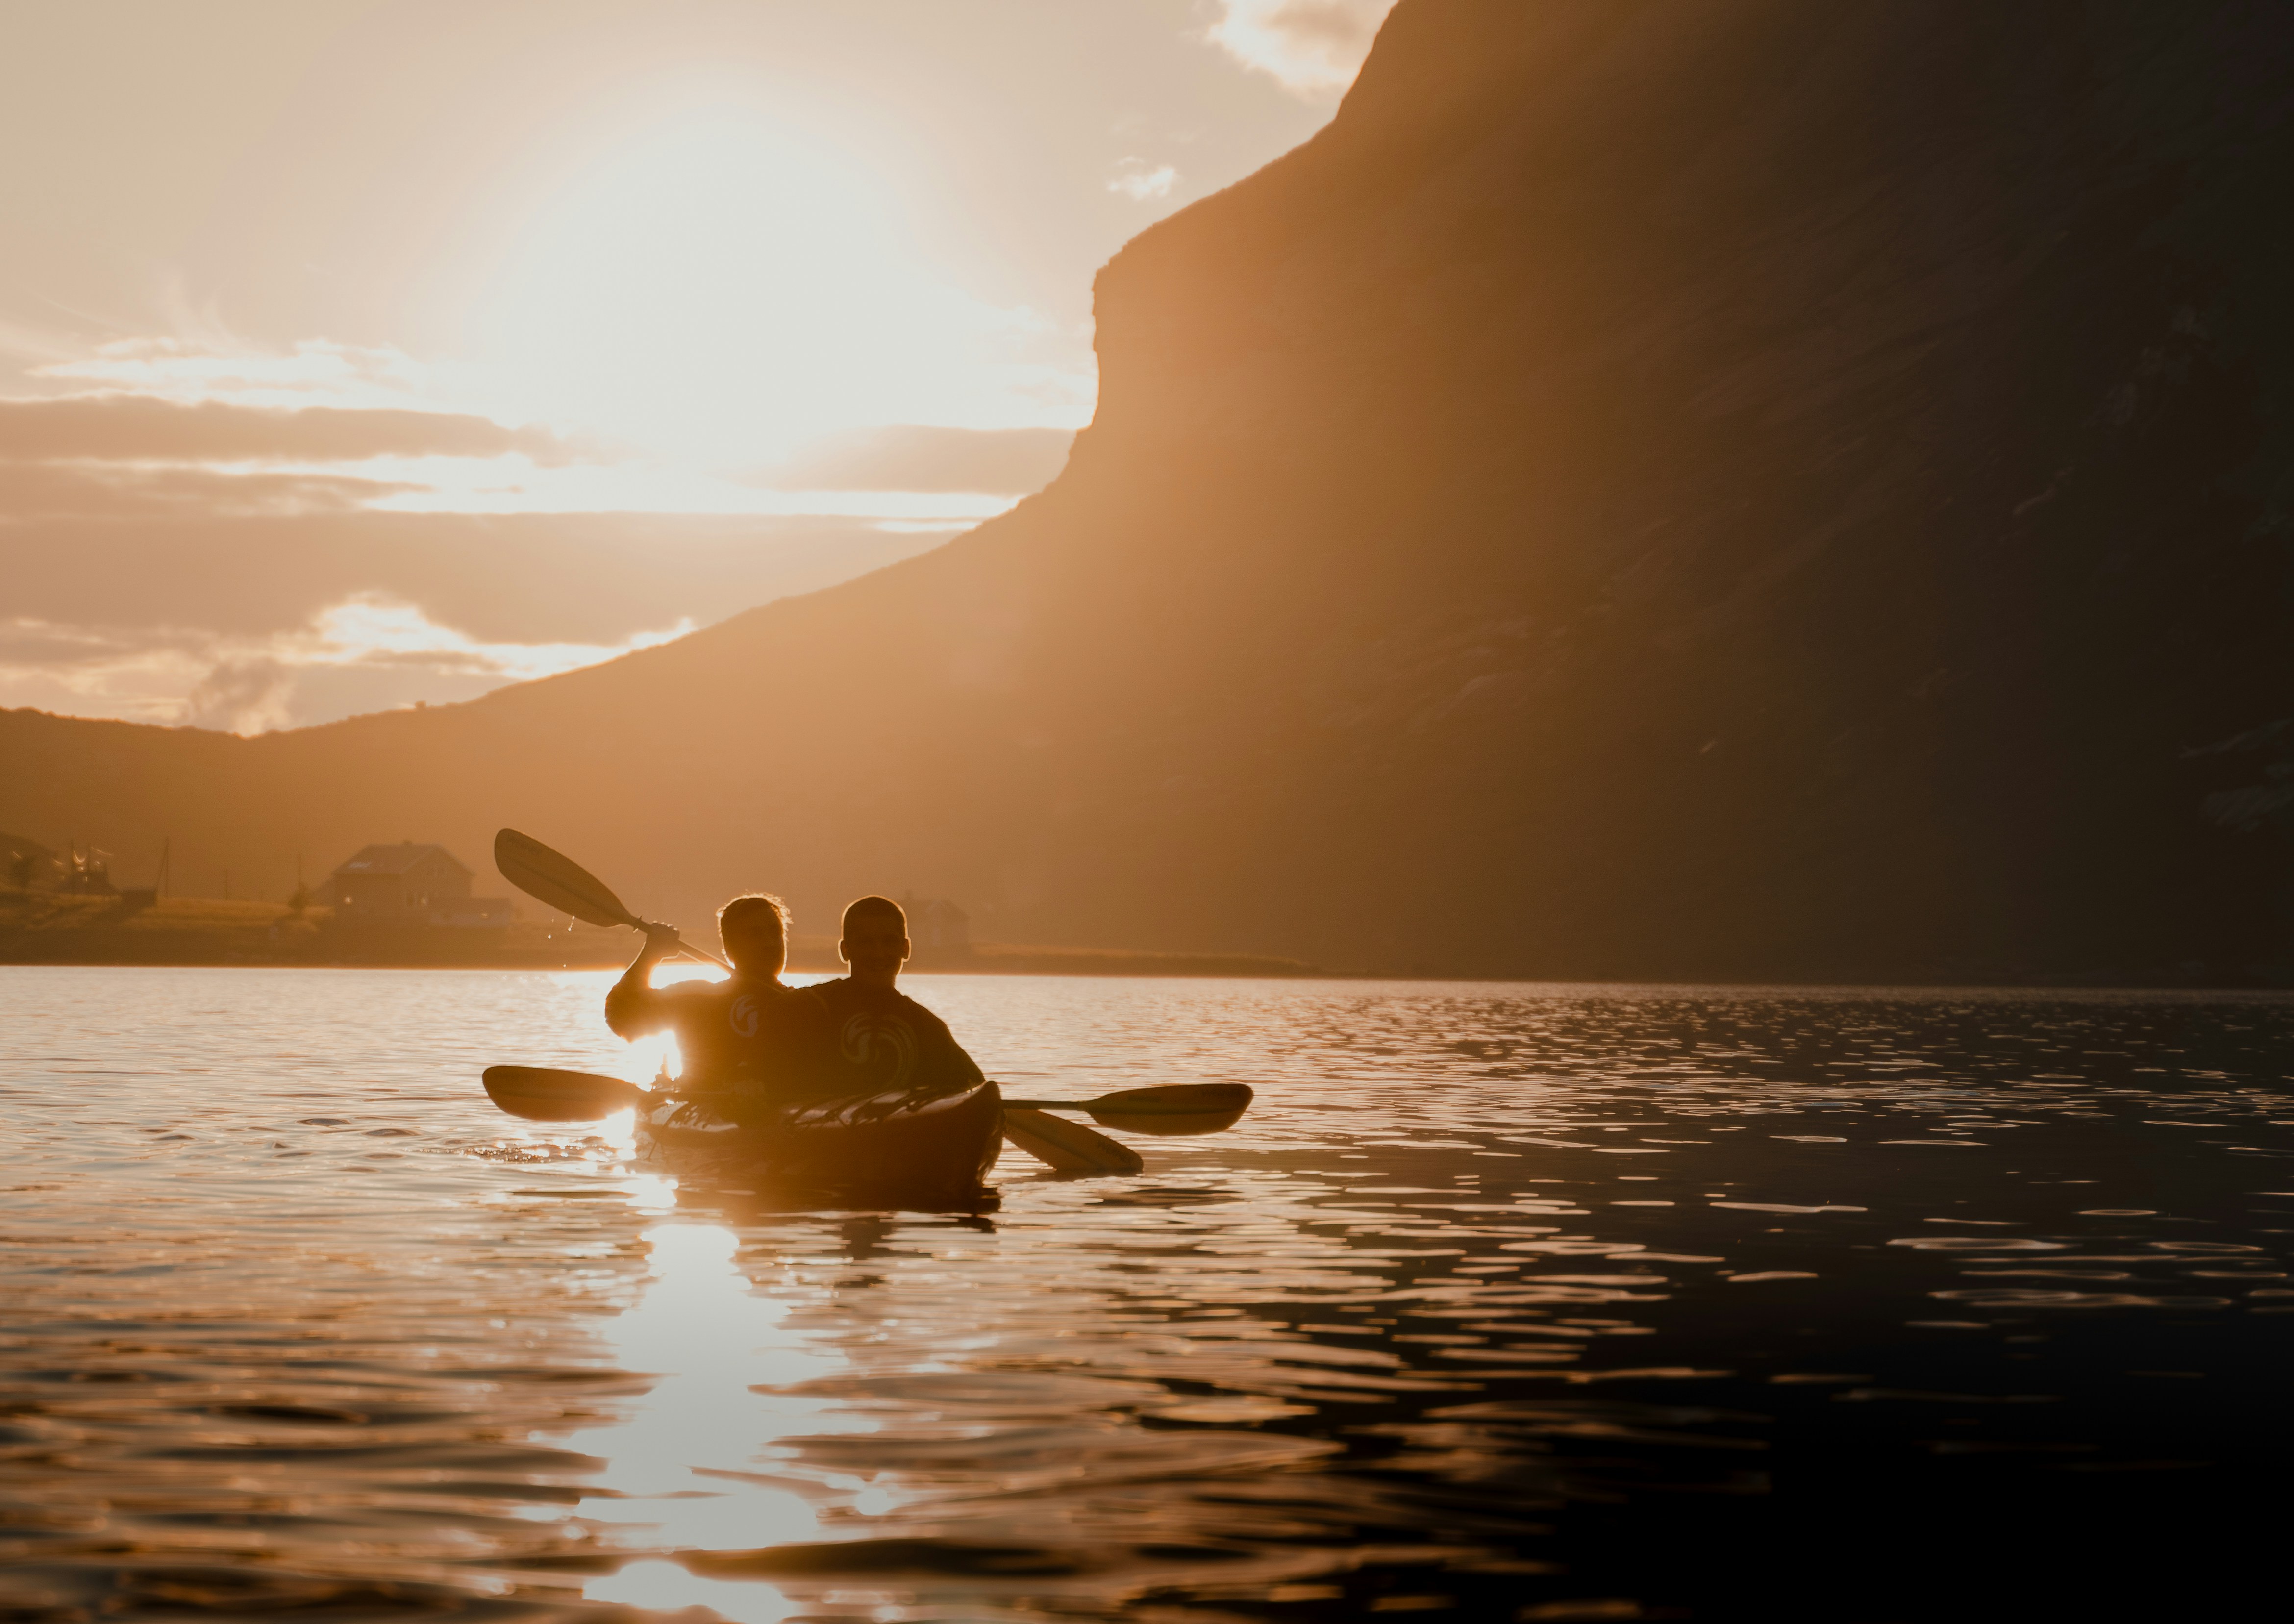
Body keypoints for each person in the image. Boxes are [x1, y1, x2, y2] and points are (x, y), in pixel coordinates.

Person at [603, 893, 827, 1119]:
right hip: (704, 1110)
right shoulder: (699, 997)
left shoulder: (807, 1003)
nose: (769, 943)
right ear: (729, 949)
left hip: (785, 1113)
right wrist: (651, 954)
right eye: (755, 935)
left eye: (775, 933)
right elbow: (621, 1015)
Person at [807, 894, 987, 1101]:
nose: (879, 954)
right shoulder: (809, 1008)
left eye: (889, 942)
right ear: (845, 950)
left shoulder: (928, 1028)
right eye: (867, 942)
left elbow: (975, 1089)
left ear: (906, 949)